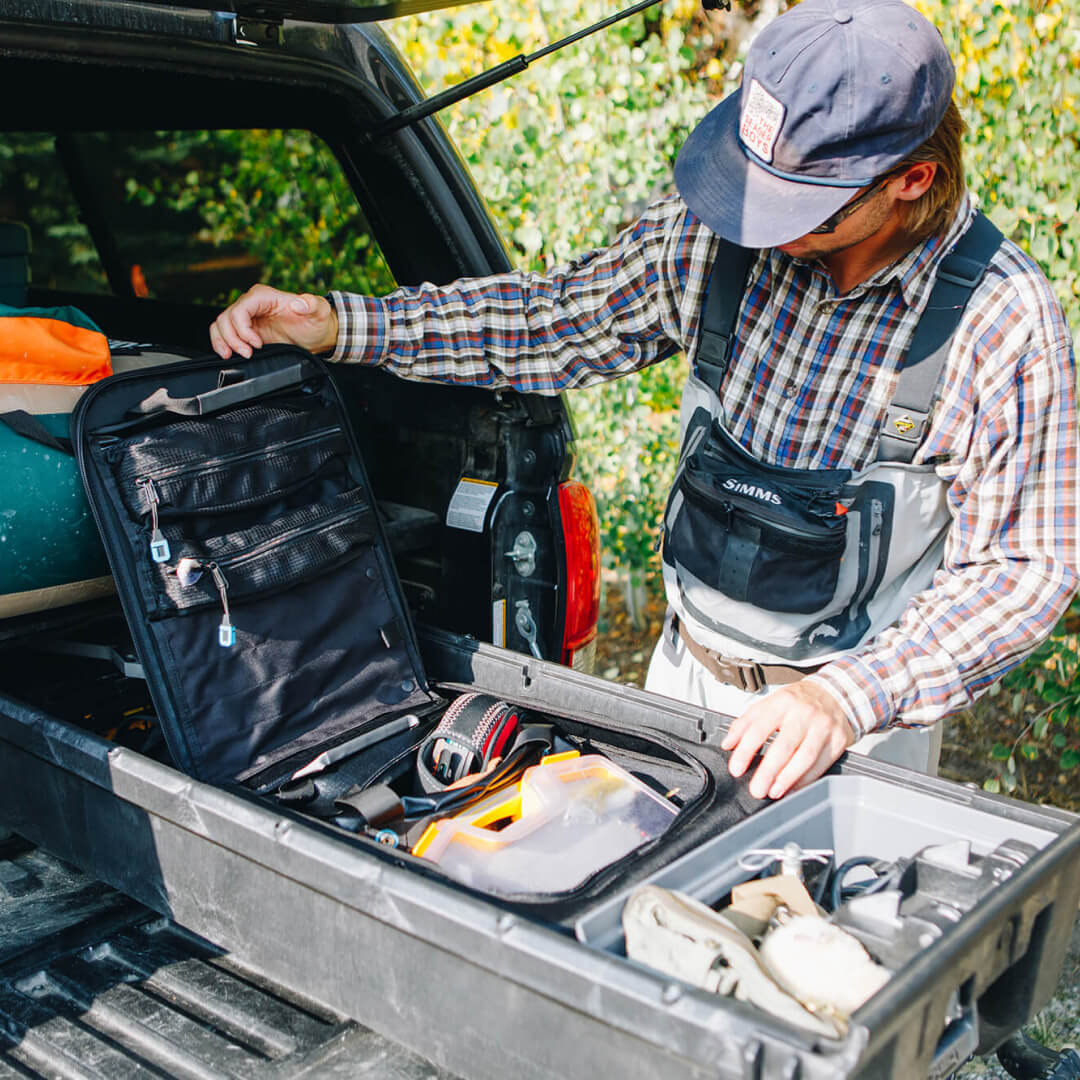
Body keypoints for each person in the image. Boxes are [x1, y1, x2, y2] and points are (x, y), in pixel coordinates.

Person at [210, 0, 1077, 802]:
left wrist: (850, 697)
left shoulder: (1000, 322)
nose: (750, 223)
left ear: (913, 181)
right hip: (682, 689)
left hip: (850, 736)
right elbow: (549, 321)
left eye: (795, 206)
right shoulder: (715, 235)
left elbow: (1025, 567)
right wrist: (340, 326)